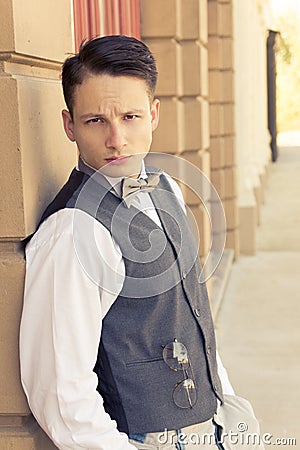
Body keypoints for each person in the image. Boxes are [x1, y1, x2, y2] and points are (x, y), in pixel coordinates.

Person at [20, 36, 264, 450]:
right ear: (69, 125)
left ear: (153, 115)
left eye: (130, 116)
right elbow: (62, 397)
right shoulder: (72, 233)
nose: (117, 140)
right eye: (96, 121)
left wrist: (232, 410)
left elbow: (192, 318)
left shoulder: (166, 186)